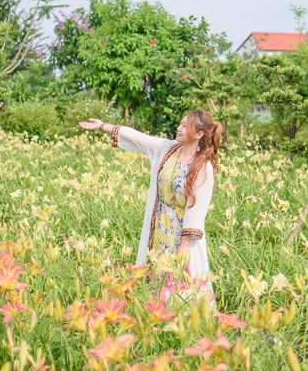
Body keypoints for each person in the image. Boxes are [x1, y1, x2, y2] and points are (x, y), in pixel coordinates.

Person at [79, 111, 223, 302]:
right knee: (154, 271)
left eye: (183, 126)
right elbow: (140, 138)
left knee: (183, 279)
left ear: (198, 134)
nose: (178, 129)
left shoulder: (203, 167)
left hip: (182, 233)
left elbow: (197, 208)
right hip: (158, 228)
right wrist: (103, 126)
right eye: (179, 124)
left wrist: (185, 244)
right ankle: (154, 313)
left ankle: (184, 320)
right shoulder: (168, 148)